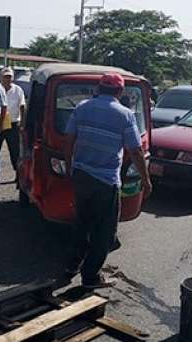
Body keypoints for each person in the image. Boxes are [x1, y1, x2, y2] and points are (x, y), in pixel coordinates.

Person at [62, 73, 152, 289]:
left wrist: (69, 166)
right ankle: (91, 277)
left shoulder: (82, 107)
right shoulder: (125, 115)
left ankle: (72, 265)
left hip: (81, 175)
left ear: (98, 88)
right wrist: (146, 180)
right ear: (120, 92)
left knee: (82, 223)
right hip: (106, 181)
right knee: (104, 231)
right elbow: (136, 151)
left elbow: (68, 138)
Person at [0, 67, 26, 180]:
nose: (7, 79)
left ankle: (18, 175)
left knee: (15, 151)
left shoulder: (18, 90)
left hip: (13, 123)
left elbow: (23, 106)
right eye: (5, 77)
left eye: (9, 77)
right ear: (1, 78)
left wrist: (22, 124)